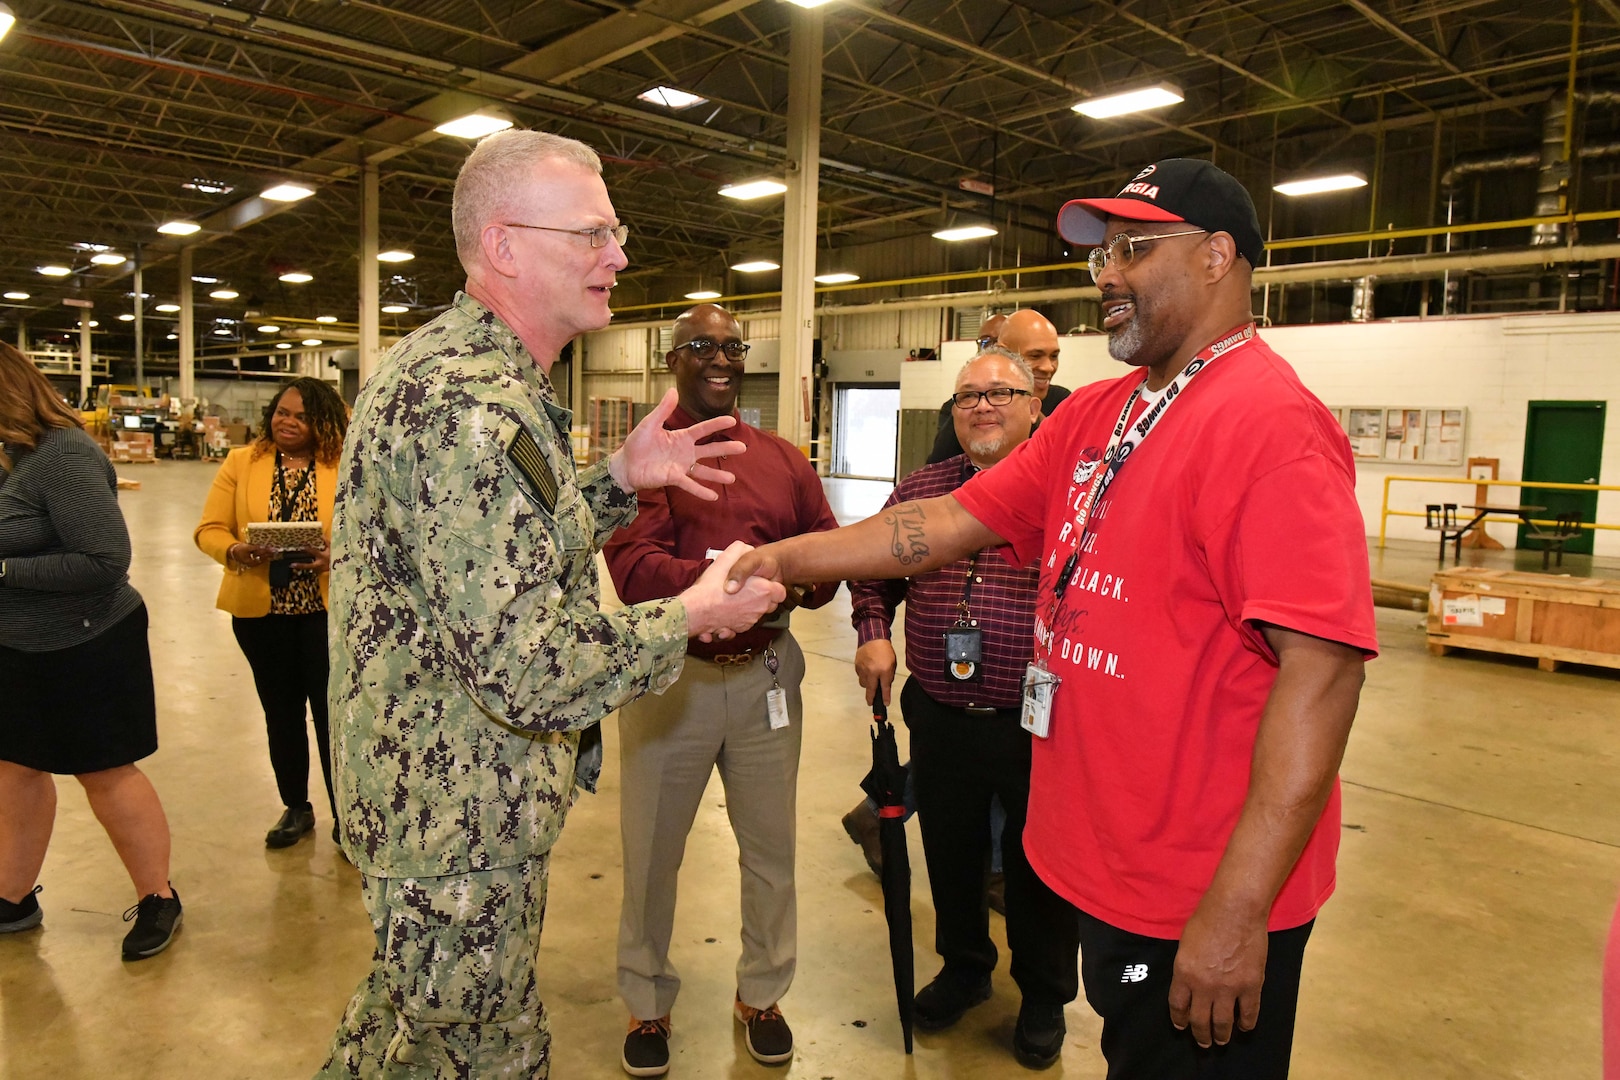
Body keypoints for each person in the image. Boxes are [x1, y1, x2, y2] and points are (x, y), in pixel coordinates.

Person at [726, 158, 1376, 1079]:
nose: (1107, 274)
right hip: (1110, 863)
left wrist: (1236, 913)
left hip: (1199, 890)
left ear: (1217, 258)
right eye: (1102, 253)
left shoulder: (1270, 429)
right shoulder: (1105, 413)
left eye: (1135, 249)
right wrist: (784, 559)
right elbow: (944, 521)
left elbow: (1324, 675)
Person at [317, 129, 784, 1080]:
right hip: (453, 822)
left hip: (441, 809)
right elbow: (529, 668)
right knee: (481, 1052)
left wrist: (616, 479)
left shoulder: (466, 374)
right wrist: (691, 615)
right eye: (592, 234)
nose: (618, 255)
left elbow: (500, 544)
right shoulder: (472, 407)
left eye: (614, 231)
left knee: (404, 1033)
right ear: (504, 246)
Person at [603, 304, 840, 1076]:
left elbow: (824, 552)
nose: (720, 358)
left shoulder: (784, 459)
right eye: (701, 345)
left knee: (771, 850)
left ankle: (762, 993)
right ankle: (647, 1004)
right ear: (671, 359)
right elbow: (633, 572)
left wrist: (792, 580)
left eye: (732, 346)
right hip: (671, 680)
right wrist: (733, 581)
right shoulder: (648, 460)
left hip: (768, 676)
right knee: (652, 854)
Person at [849, 346, 1081, 1069]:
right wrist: (872, 633)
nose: (982, 405)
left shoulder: (1070, 494)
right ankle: (965, 968)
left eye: (1001, 393)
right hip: (943, 713)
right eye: (967, 396)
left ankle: (1043, 995)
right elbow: (868, 568)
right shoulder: (923, 489)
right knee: (950, 851)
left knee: (1040, 867)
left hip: (1036, 722)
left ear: (1035, 403)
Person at [0, 341, 183, 961]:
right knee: (16, 767)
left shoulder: (62, 455)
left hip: (87, 638)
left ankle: (158, 897)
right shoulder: (10, 456)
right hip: (18, 643)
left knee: (103, 772)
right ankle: (13, 895)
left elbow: (105, 561)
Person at [194, 377, 347, 849]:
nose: (288, 422)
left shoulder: (345, 464)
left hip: (325, 612)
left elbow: (373, 531)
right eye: (283, 411)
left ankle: (348, 817)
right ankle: (296, 807)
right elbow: (208, 529)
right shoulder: (243, 461)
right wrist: (237, 550)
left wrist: (335, 554)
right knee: (280, 713)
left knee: (331, 716)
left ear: (324, 422)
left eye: (302, 416)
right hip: (262, 612)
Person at [926, 308, 1068, 464]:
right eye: (1035, 356)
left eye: (1054, 356)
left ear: (1033, 409)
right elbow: (938, 470)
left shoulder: (1064, 402)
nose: (1048, 367)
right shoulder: (964, 410)